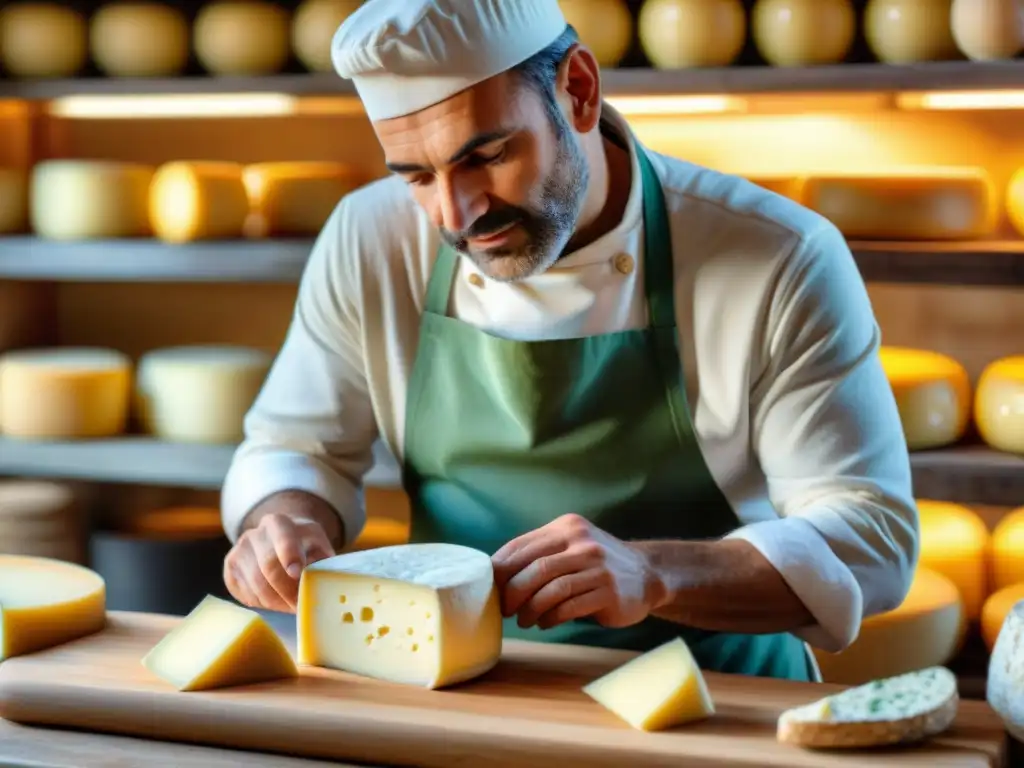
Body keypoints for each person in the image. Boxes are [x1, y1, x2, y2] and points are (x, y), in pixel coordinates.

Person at [220, 0, 918, 681]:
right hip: (461, 689)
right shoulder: (370, 236)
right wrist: (282, 523)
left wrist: (654, 574)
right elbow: (294, 447)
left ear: (578, 91)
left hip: (717, 700)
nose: (457, 214)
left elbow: (871, 539)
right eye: (418, 177)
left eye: (487, 156)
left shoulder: (778, 256)